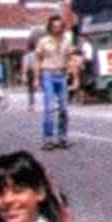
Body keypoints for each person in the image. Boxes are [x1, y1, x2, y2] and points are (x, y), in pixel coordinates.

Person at [34, 14, 73, 149]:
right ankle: (48, 138)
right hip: (48, 74)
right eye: (54, 26)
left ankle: (62, 137)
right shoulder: (43, 41)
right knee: (49, 108)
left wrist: (74, 76)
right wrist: (36, 78)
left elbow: (69, 59)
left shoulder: (66, 41)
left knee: (63, 108)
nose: (57, 28)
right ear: (50, 27)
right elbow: (38, 60)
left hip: (61, 75)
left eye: (60, 26)